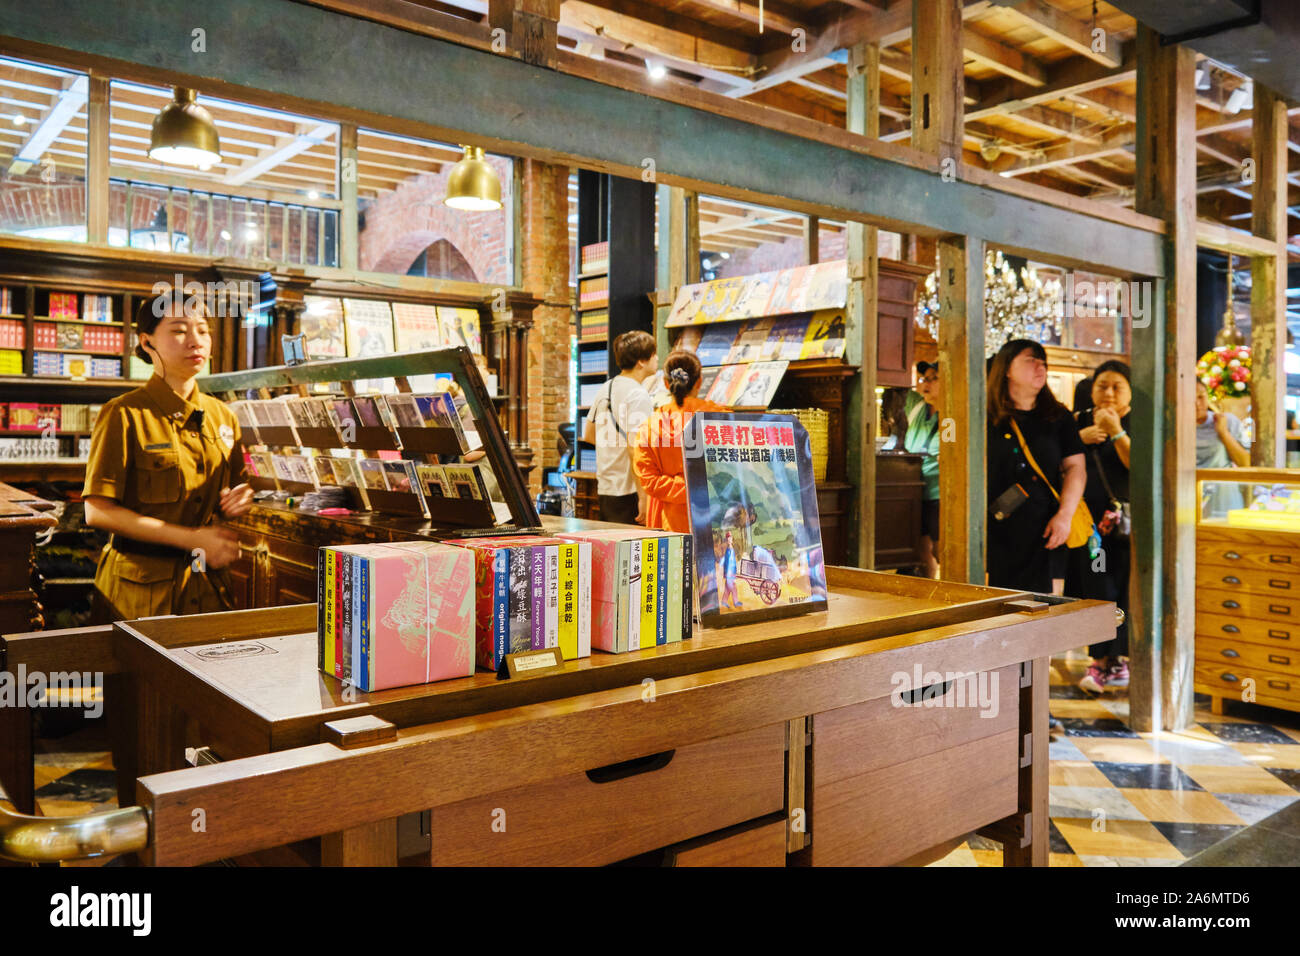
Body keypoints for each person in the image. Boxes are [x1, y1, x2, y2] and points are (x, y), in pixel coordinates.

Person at [83, 294, 253, 621]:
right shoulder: (124, 413)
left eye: (203, 331)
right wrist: (191, 538)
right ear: (147, 342)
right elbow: (97, 511)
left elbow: (235, 488)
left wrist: (239, 500)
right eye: (179, 330)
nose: (195, 341)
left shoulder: (222, 417)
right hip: (140, 593)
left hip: (206, 587)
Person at [986, 339, 1087, 593]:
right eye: (1031, 361)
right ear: (1006, 369)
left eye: (1044, 363)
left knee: (1042, 604)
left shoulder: (1058, 416)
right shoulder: (984, 416)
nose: (1041, 368)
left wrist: (1064, 516)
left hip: (1046, 526)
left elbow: (1076, 468)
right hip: (995, 528)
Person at [1066, 360, 1132, 694]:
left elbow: (1138, 466)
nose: (1107, 393)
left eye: (1116, 386)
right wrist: (1080, 438)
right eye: (1101, 385)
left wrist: (1118, 430)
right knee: (1099, 589)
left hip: (1128, 529)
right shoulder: (1076, 421)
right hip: (1090, 530)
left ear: (1129, 391)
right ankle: (1103, 661)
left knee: (1124, 592)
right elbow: (1055, 461)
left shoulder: (1137, 423)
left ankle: (1113, 661)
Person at [630, 349, 728, 533]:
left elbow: (649, 480)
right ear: (699, 382)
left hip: (667, 519)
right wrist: (699, 486)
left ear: (666, 383)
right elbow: (734, 469)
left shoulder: (651, 426)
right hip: (713, 516)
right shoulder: (721, 418)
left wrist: (684, 487)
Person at [583, 330, 658, 524]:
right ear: (641, 361)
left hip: (606, 487)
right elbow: (636, 449)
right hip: (629, 490)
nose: (657, 359)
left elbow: (589, 435)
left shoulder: (605, 388)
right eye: (653, 354)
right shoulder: (638, 395)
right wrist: (643, 496)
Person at [903, 361, 942, 577]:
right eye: (924, 378)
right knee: (919, 551)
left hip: (938, 493)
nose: (926, 383)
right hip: (913, 490)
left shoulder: (955, 414)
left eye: (933, 378)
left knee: (940, 549)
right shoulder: (917, 405)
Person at [1195, 384, 1250, 516]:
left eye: (1201, 397)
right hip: (1187, 496)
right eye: (1190, 398)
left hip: (1223, 496)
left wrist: (1223, 433)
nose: (1196, 403)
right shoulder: (1171, 424)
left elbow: (1245, 463)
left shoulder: (1227, 421)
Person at [721, 531, 741, 609]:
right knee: (733, 587)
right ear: (727, 540)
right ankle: (735, 602)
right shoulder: (728, 551)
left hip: (731, 572)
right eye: (728, 538)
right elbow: (728, 563)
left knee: (727, 588)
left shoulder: (731, 549)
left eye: (731, 537)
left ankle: (724, 601)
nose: (730, 539)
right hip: (729, 573)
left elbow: (733, 562)